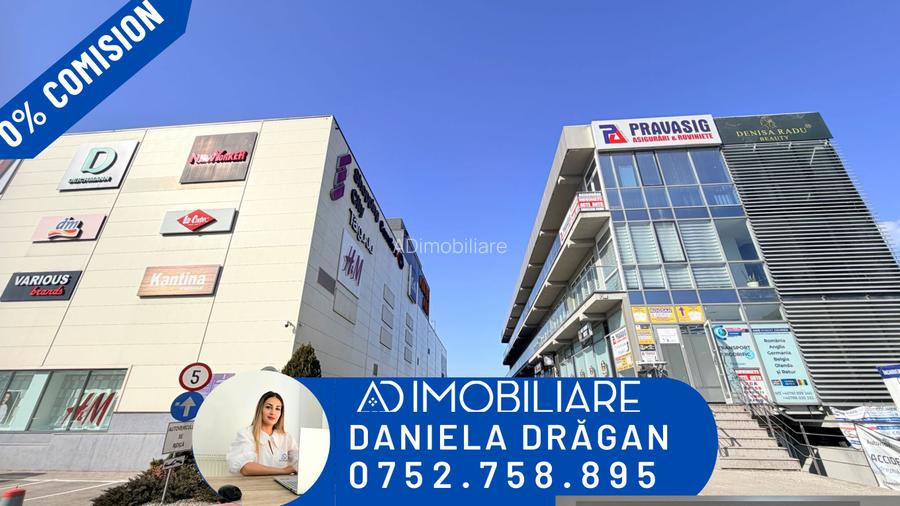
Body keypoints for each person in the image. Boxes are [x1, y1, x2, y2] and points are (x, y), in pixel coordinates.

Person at [226, 391, 299, 476]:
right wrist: (283, 470)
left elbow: (298, 460)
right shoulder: (245, 434)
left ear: (281, 413)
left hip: (280, 483)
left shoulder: (287, 437)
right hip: (255, 484)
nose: (273, 412)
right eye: (268, 407)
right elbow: (245, 468)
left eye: (277, 409)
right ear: (260, 409)